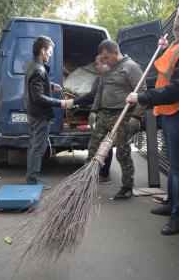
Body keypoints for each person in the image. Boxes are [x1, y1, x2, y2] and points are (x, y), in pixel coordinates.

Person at [126, 2, 179, 234]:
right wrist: (163, 48)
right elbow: (167, 72)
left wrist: (143, 97)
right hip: (171, 112)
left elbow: (177, 88)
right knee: (173, 163)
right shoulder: (178, 43)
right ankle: (172, 204)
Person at [87, 39, 146, 200]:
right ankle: (86, 183)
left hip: (122, 116)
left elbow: (142, 91)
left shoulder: (131, 67)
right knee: (93, 149)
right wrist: (94, 110)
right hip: (104, 114)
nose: (104, 62)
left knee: (122, 152)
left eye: (106, 58)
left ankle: (127, 186)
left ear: (116, 52)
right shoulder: (106, 70)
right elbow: (100, 91)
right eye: (102, 59)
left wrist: (137, 116)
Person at [24, 35, 72, 186]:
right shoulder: (38, 69)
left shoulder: (33, 66)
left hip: (33, 113)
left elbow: (37, 83)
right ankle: (33, 180)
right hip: (39, 115)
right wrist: (61, 103)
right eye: (49, 51)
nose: (50, 54)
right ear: (42, 51)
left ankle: (32, 177)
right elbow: (38, 97)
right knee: (38, 147)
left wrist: (51, 85)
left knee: (34, 145)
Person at [66, 55, 114, 183]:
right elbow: (95, 97)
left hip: (108, 115)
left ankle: (102, 174)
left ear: (103, 63)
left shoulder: (105, 77)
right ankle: (100, 173)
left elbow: (92, 96)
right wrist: (90, 109)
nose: (95, 67)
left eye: (96, 64)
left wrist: (75, 102)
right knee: (104, 145)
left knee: (102, 145)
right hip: (104, 114)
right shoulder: (103, 77)